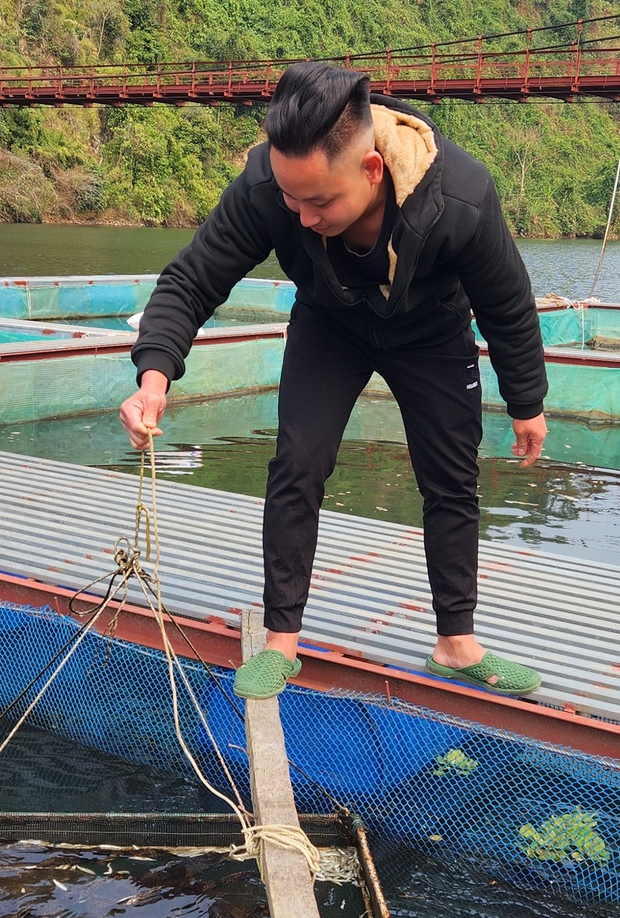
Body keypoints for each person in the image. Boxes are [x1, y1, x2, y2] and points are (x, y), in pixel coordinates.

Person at [119, 61, 548, 700]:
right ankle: (281, 643)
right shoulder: (270, 184)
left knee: (451, 477)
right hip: (330, 321)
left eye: (319, 201)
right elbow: (193, 278)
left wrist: (526, 400)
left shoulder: (460, 195)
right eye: (291, 200)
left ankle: (456, 644)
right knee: (297, 463)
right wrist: (153, 375)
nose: (302, 216)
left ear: (371, 169)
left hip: (431, 330)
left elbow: (507, 301)